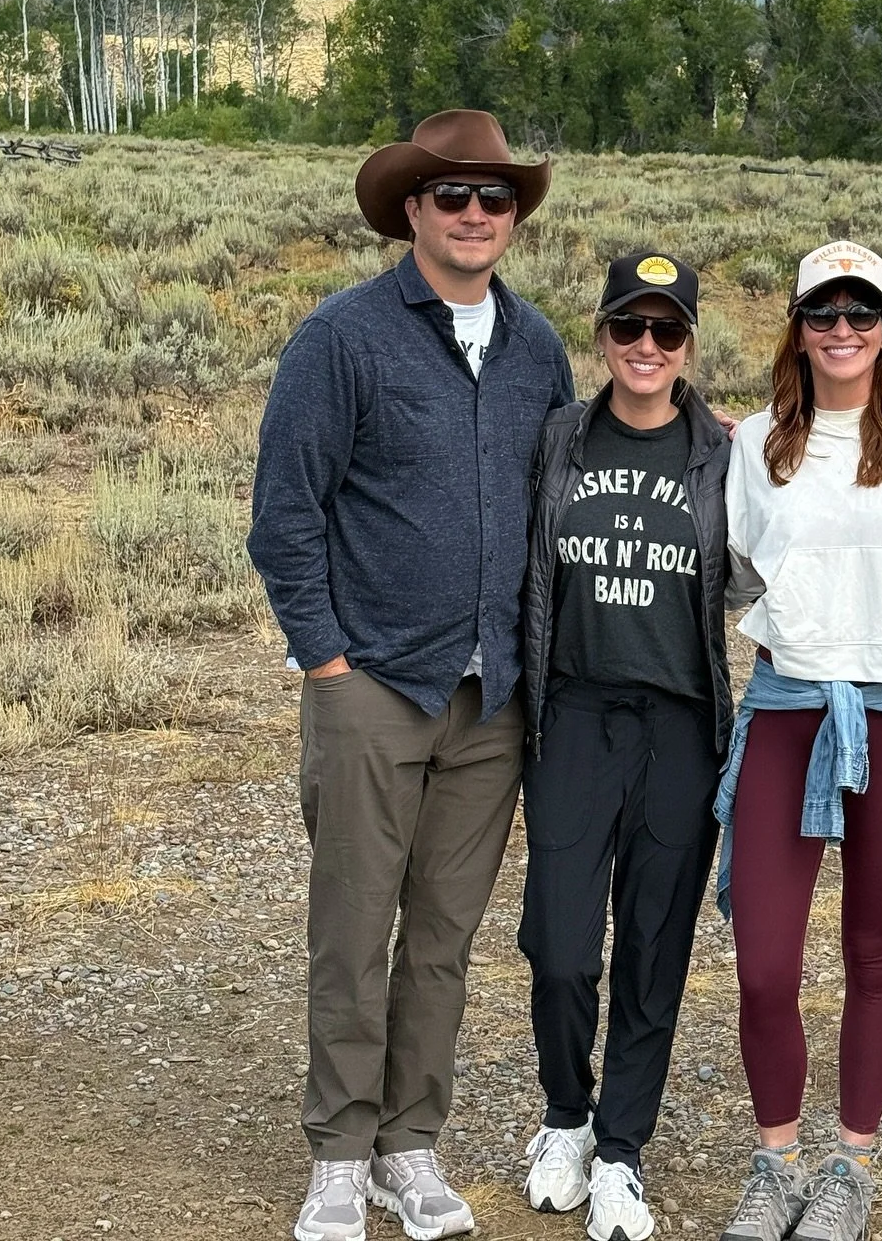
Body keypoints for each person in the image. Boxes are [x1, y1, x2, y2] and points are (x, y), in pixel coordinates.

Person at [248, 109, 575, 1241]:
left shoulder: (537, 347)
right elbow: (284, 517)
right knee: (351, 927)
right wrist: (327, 661)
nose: (477, 214)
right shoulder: (340, 339)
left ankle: (408, 1145)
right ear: (412, 211)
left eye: (496, 198)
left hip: (493, 702)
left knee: (442, 937)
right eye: (454, 197)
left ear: (514, 217)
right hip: (374, 685)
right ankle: (338, 1151)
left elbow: (563, 498)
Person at [715, 241, 882, 1241]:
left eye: (864, 312)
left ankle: (850, 1166)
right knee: (765, 965)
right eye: (825, 312)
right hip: (786, 709)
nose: (844, 330)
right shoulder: (758, 443)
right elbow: (730, 574)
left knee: (875, 954)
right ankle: (775, 1164)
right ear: (798, 326)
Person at [517, 251, 733, 1241]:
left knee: (654, 943)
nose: (647, 348)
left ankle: (619, 1148)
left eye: (668, 331)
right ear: (600, 335)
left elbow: (767, 580)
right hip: (575, 712)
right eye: (628, 328)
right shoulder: (559, 437)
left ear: (689, 344)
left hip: (680, 722)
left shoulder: (720, 453)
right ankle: (564, 1115)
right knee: (561, 945)